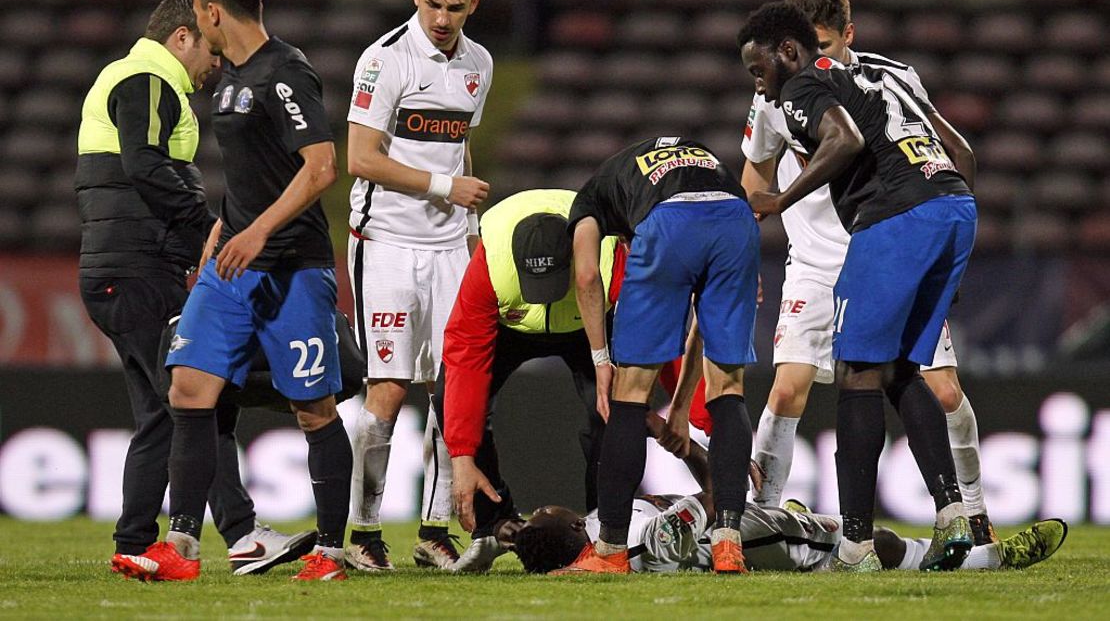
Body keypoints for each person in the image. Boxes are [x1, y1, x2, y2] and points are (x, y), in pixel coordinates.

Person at [112, 0, 351, 582]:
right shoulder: (228, 81)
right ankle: (182, 547)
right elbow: (251, 175)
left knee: (314, 409)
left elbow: (321, 167)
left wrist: (259, 230)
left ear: (212, 11)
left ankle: (330, 550)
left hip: (291, 266)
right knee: (188, 388)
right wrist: (221, 231)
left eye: (195, 10)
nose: (196, 21)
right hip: (230, 265)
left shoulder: (286, 73)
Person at [741, 0, 997, 545]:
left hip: (887, 236)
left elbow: (855, 142)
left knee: (934, 385)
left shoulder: (881, 75)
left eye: (828, 43)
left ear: (845, 36)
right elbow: (754, 176)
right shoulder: (774, 95)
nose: (822, 55)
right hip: (820, 256)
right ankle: (758, 514)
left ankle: (963, 517)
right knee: (791, 388)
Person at [76, 0, 313, 576]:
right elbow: (144, 165)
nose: (217, 63)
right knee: (193, 400)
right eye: (210, 49)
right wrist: (205, 228)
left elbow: (134, 176)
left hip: (122, 269)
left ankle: (135, 542)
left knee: (167, 409)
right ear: (181, 37)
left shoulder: (129, 77)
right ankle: (240, 535)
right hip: (138, 269)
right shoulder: (146, 78)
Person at [345, 0, 492, 571]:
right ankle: (362, 530)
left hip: (450, 246)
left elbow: (459, 150)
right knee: (388, 388)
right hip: (387, 243)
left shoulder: (479, 65)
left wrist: (472, 223)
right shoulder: (384, 60)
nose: (441, 20)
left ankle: (434, 531)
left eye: (454, 9)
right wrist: (443, 189)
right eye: (433, 4)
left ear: (472, 5)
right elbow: (360, 157)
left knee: (451, 389)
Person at [513, 413, 1068, 574]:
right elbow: (710, 504)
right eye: (539, 515)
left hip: (752, 523)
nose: (541, 506)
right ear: (562, 532)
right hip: (767, 542)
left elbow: (521, 538)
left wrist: (502, 537)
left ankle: (969, 556)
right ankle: (989, 561)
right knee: (873, 543)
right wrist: (695, 456)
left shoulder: (596, 531)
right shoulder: (633, 543)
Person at [557, 136, 760, 575]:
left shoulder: (591, 195)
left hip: (669, 222)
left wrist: (600, 362)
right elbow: (703, 324)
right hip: (736, 220)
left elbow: (588, 274)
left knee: (631, 394)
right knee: (728, 385)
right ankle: (728, 543)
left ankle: (610, 550)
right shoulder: (699, 157)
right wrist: (682, 407)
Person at [434, 189, 622, 572]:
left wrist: (681, 410)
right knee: (447, 397)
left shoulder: (611, 258)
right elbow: (464, 359)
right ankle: (493, 525)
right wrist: (462, 457)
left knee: (614, 412)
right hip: (511, 328)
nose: (544, 298)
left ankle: (606, 531)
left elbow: (653, 336)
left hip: (591, 324)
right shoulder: (491, 264)